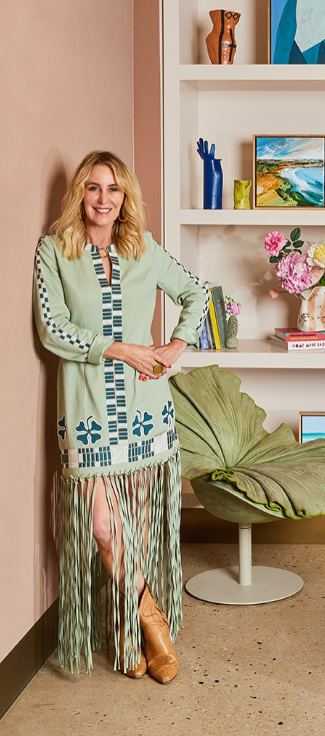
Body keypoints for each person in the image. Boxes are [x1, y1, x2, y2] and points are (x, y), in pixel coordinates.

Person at [33, 151, 209, 681]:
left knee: (137, 525)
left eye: (113, 189)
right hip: (86, 410)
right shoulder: (54, 251)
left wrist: (175, 345)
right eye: (93, 188)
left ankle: (127, 630)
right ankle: (151, 621)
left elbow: (196, 292)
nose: (103, 198)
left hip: (144, 412)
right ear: (79, 195)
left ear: (125, 196)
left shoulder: (143, 248)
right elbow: (52, 328)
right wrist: (119, 349)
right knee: (104, 529)